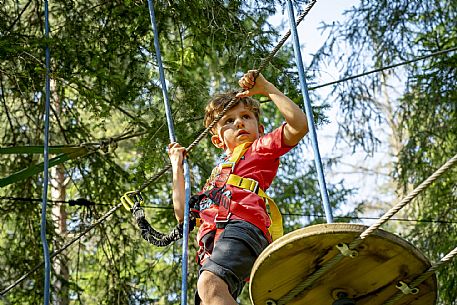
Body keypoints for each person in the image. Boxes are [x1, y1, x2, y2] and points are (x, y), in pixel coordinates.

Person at [168, 70, 308, 305]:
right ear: (217, 140)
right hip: (215, 245)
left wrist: (267, 88)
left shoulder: (258, 149)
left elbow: (298, 126)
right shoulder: (215, 180)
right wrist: (177, 167)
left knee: (210, 284)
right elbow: (183, 215)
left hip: (242, 228)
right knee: (209, 296)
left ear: (260, 129)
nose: (239, 122)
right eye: (229, 121)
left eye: (246, 116)